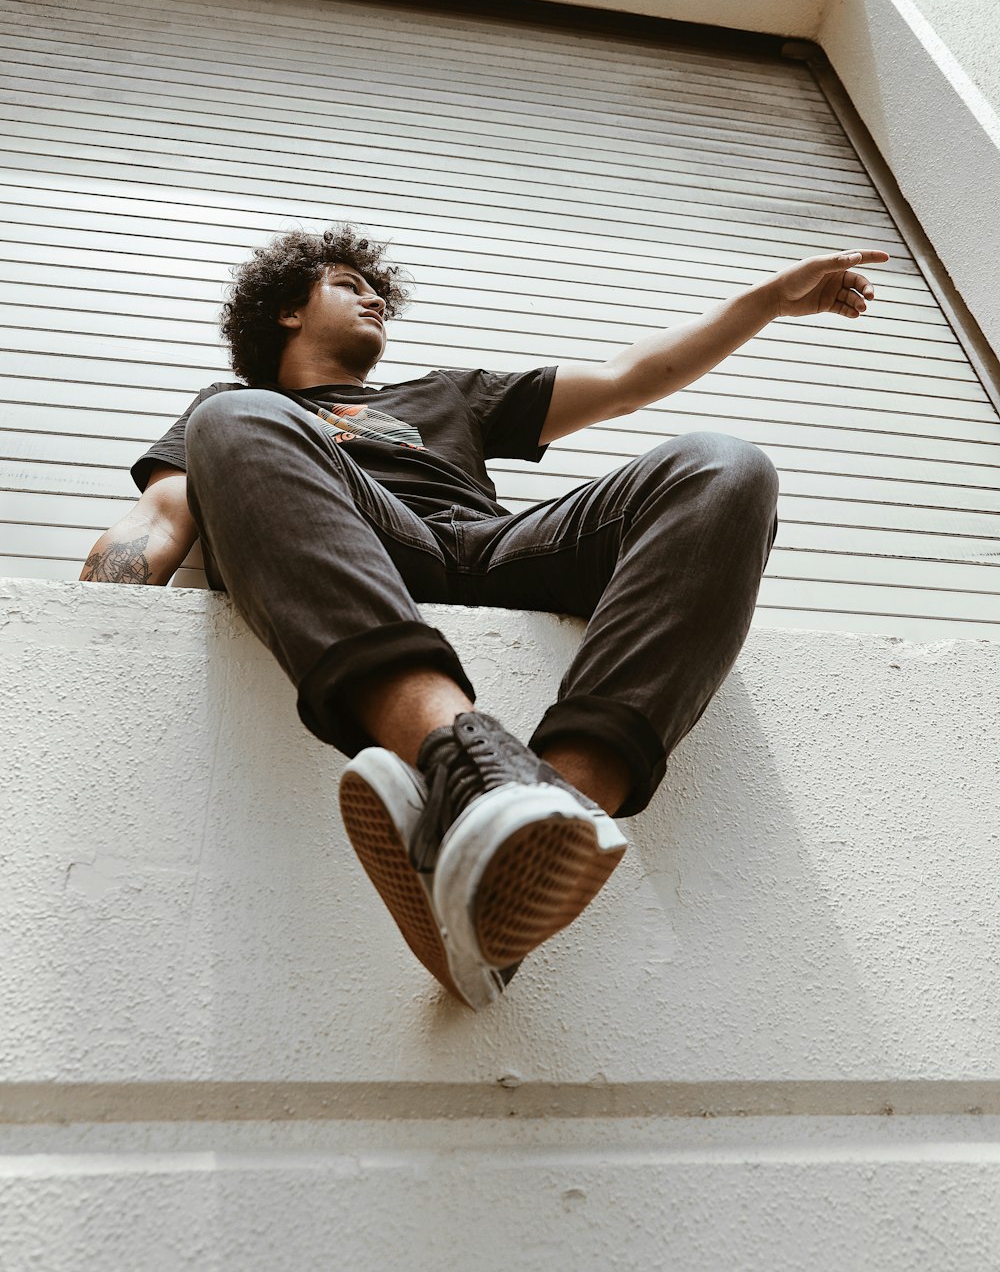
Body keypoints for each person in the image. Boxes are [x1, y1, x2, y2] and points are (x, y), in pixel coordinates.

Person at [81, 226, 885, 1009]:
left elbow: (629, 378)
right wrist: (89, 632)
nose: (373, 300)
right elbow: (159, 519)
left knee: (726, 466)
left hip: (492, 547)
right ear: (287, 311)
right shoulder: (235, 406)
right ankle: (458, 756)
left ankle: (551, 820)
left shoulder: (447, 391)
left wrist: (771, 299)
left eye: (377, 292)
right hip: (363, 547)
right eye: (347, 285)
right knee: (238, 419)